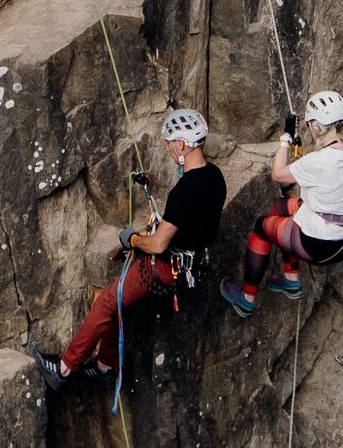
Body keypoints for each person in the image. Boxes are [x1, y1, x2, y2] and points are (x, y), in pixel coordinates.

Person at [35, 108, 226, 388]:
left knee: (107, 302)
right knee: (117, 305)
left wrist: (133, 240)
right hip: (193, 263)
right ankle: (104, 366)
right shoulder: (215, 177)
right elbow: (191, 219)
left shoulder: (183, 193)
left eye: (169, 144)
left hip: (165, 267)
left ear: (182, 144)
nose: (167, 150)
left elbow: (160, 242)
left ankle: (63, 369)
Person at [221, 89, 343, 317]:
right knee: (280, 207)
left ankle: (246, 299)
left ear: (317, 126)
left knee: (262, 227)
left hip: (321, 243)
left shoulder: (318, 161)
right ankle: (290, 280)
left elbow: (278, 174)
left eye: (310, 124)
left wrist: (285, 139)